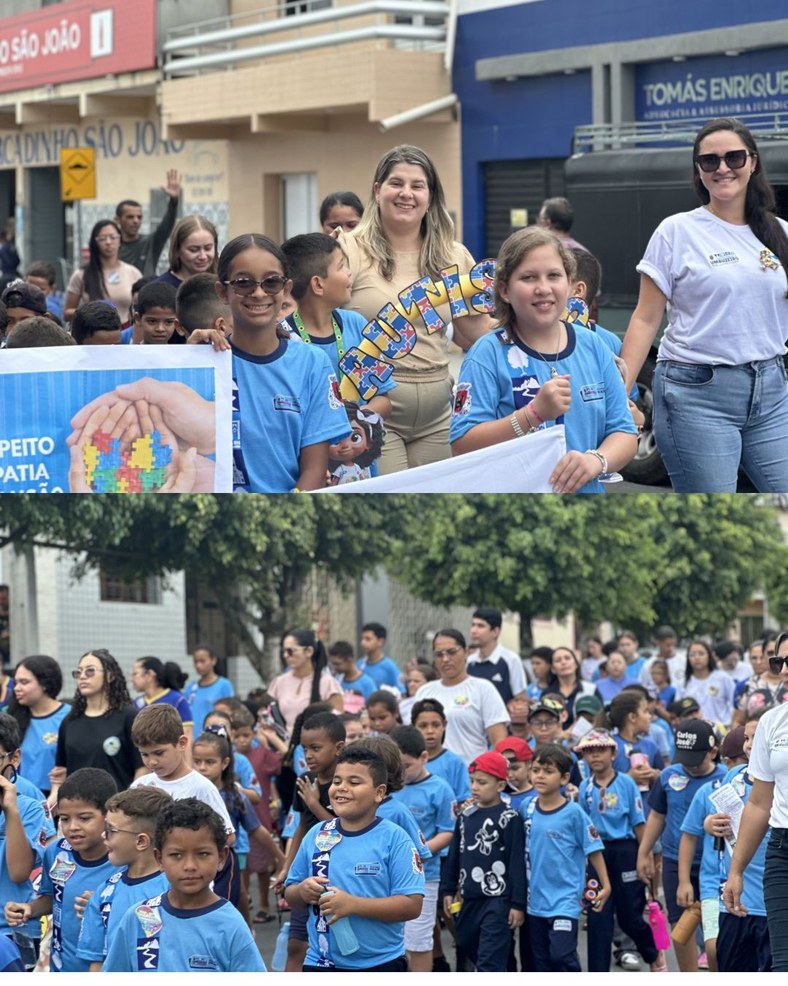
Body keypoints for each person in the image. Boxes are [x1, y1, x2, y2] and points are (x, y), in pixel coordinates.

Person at [621, 117, 788, 492]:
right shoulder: (676, 231)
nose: (723, 168)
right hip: (696, 394)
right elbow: (646, 319)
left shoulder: (781, 233)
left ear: (753, 162)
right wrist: (621, 396)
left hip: (773, 392)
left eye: (734, 157)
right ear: (698, 170)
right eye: (710, 161)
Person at [338, 145, 493, 474]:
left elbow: (474, 333)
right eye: (396, 183)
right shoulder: (348, 248)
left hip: (439, 412)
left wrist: (555, 338)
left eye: (417, 186)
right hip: (374, 408)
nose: (406, 194)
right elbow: (312, 317)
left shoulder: (454, 255)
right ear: (377, 190)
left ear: (431, 196)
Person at [450, 227, 637, 492]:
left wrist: (596, 461)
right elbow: (462, 445)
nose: (543, 288)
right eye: (528, 277)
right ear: (504, 290)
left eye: (554, 276)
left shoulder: (594, 346)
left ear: (570, 284)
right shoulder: (487, 355)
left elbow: (625, 432)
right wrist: (533, 414)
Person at [217, 233, 351, 492]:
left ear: (286, 289)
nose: (258, 293)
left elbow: (314, 470)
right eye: (243, 283)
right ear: (222, 291)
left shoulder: (312, 364)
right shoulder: (206, 361)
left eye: (271, 282)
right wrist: (189, 355)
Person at [284, 745, 424, 971]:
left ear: (379, 793)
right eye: (337, 781)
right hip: (320, 962)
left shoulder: (395, 839)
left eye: (354, 782)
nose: (342, 788)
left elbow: (412, 905)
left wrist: (354, 905)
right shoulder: (316, 834)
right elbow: (290, 894)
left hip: (381, 963)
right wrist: (302, 891)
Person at [104, 798, 265, 972]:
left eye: (202, 854)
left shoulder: (231, 925)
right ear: (159, 859)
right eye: (176, 855)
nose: (190, 866)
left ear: (221, 857)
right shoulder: (138, 917)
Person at [6, 768, 117, 971]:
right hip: (62, 967)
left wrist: (105, 906)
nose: (72, 827)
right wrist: (30, 908)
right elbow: (52, 897)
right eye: (65, 819)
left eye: (84, 818)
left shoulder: (122, 861)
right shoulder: (56, 851)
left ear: (109, 815)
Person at [636, 720, 726, 971]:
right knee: (680, 925)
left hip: (714, 862)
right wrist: (644, 853)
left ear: (713, 752)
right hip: (675, 861)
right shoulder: (668, 775)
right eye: (684, 758)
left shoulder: (725, 779)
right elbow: (657, 815)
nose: (689, 765)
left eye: (695, 759)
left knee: (716, 929)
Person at [575, 729, 663, 972]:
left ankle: (652, 952)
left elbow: (638, 822)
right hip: (596, 853)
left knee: (630, 916)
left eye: (600, 750)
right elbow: (583, 824)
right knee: (598, 916)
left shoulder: (626, 783)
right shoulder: (584, 787)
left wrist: (644, 856)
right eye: (589, 752)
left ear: (613, 753)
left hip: (625, 850)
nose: (595, 757)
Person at [282, 233, 395, 422]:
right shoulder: (282, 337)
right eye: (342, 266)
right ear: (318, 284)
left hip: (356, 444)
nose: (350, 272)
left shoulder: (357, 324)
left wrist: (355, 417)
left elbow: (383, 400)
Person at [724, 639, 788, 971]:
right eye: (781, 661)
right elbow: (760, 803)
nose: (786, 670)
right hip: (782, 850)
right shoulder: (771, 722)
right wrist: (736, 871)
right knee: (782, 965)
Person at [523, 743, 610, 971]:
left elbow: (594, 849)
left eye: (548, 771)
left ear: (564, 779)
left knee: (561, 955)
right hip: (535, 900)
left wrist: (606, 885)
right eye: (536, 770)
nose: (540, 776)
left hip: (565, 899)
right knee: (540, 962)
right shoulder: (527, 807)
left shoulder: (574, 813)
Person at [275, 711, 347, 971]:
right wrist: (287, 867)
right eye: (305, 748)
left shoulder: (345, 784)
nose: (308, 755)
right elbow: (302, 828)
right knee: (296, 942)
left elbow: (341, 827)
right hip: (308, 873)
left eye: (316, 748)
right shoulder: (305, 781)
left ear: (338, 748)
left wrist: (315, 803)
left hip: (338, 873)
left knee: (339, 941)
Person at [440, 751, 524, 972]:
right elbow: (454, 855)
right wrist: (448, 889)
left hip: (498, 900)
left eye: (482, 782)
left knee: (489, 960)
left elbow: (517, 863)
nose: (475, 787)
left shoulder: (510, 818)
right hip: (469, 898)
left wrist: (517, 904)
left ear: (500, 785)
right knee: (471, 946)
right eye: (472, 781)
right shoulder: (465, 815)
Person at [76, 786, 173, 970]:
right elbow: (96, 961)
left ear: (141, 841)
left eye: (111, 830)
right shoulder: (105, 893)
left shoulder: (174, 891)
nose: (104, 835)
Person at [191, 727, 285, 917]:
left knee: (226, 906)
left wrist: (281, 858)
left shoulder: (235, 796)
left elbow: (257, 830)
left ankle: (245, 932)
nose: (202, 767)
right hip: (193, 861)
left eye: (209, 762)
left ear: (224, 763)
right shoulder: (190, 793)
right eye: (197, 762)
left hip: (225, 861)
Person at [677, 726, 749, 974]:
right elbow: (688, 835)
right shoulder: (708, 792)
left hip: (754, 886)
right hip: (714, 883)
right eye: (740, 762)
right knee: (714, 949)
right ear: (726, 761)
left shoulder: (769, 792)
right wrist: (684, 880)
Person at [389, 725, 456, 972]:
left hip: (425, 877)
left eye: (406, 766)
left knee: (418, 940)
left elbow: (448, 831)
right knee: (395, 940)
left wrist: (419, 852)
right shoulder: (387, 789)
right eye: (396, 766)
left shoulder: (440, 789)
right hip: (388, 877)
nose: (401, 773)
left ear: (424, 757)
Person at [713, 717, 772, 972]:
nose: (749, 745)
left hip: (772, 904)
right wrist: (710, 823)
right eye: (746, 738)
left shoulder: (782, 782)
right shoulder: (733, 776)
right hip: (735, 899)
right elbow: (718, 823)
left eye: (756, 737)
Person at [129, 704, 235, 841]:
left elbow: (228, 836)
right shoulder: (140, 786)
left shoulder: (202, 787)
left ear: (182, 743)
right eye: (145, 754)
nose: (152, 762)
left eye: (159, 753)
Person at [50, 649, 142, 803]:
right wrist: (53, 800)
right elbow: (61, 772)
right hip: (77, 809)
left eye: (90, 671)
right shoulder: (69, 721)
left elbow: (141, 767)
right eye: (78, 672)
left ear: (110, 676)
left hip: (117, 808)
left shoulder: (129, 716)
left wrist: (129, 802)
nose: (83, 676)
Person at [0, 726, 54, 965]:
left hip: (11, 929)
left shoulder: (29, 806)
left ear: (14, 758)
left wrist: (10, 810)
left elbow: (19, 871)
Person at [415, 629, 509, 763]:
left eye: (451, 652)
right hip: (432, 776)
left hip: (472, 775)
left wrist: (488, 774)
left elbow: (499, 740)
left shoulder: (483, 689)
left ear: (465, 652)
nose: (445, 659)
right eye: (439, 654)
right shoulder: (424, 692)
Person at [7, 654, 69, 795]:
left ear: (45, 684)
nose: (17, 688)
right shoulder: (11, 718)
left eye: (24, 682)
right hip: (17, 796)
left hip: (57, 798)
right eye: (16, 682)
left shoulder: (69, 717)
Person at [268, 628, 343, 735]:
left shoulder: (328, 683)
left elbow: (339, 722)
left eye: (290, 651)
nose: (286, 656)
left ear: (309, 651)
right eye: (283, 651)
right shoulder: (279, 682)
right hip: (284, 743)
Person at [64, 219, 141, 324]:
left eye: (113, 237)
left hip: (127, 332)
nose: (108, 242)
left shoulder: (133, 272)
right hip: (95, 334)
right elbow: (67, 312)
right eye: (102, 238)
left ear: (120, 241)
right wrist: (90, 313)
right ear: (94, 242)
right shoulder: (81, 274)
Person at [115, 171, 182, 277]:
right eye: (130, 217)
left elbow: (166, 226)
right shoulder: (113, 246)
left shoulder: (150, 243)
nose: (136, 221)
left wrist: (174, 201)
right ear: (117, 220)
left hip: (145, 291)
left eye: (139, 217)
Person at [411, 697, 471, 804]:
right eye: (423, 726)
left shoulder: (455, 763)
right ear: (413, 727)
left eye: (436, 725)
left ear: (444, 725)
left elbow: (464, 801)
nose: (430, 731)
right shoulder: (407, 762)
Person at [466, 606, 527, 708]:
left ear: (495, 631)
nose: (473, 631)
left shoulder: (511, 660)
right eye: (473, 625)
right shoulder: (470, 661)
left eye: (480, 626)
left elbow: (521, 700)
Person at [130, 656, 193, 743]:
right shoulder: (136, 703)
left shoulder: (177, 700)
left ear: (149, 675)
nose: (131, 679)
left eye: (135, 674)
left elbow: (187, 735)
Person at [156, 214, 218, 294]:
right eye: (193, 250)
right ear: (177, 250)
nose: (203, 256)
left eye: (208, 248)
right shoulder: (161, 289)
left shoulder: (222, 286)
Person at [184, 643, 234, 734]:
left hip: (214, 737)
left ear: (213, 660)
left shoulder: (224, 685)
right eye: (196, 662)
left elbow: (230, 712)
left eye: (202, 661)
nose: (198, 665)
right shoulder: (191, 688)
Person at [543, 646, 596, 727]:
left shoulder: (590, 689)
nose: (563, 662)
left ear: (576, 664)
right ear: (553, 669)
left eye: (567, 658)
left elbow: (599, 719)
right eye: (558, 660)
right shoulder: (547, 693)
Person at [328, 639, 378, 713]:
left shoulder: (367, 683)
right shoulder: (337, 681)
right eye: (332, 664)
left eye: (337, 664)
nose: (334, 668)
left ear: (349, 659)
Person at [132, 280, 179, 344]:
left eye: (168, 322)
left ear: (177, 323)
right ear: (138, 319)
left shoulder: (182, 353)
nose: (160, 329)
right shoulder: (130, 353)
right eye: (152, 321)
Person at [358, 622, 401, 691]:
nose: (363, 643)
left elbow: (401, 691)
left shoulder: (390, 667)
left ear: (380, 642)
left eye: (368, 639)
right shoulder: (359, 665)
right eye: (362, 639)